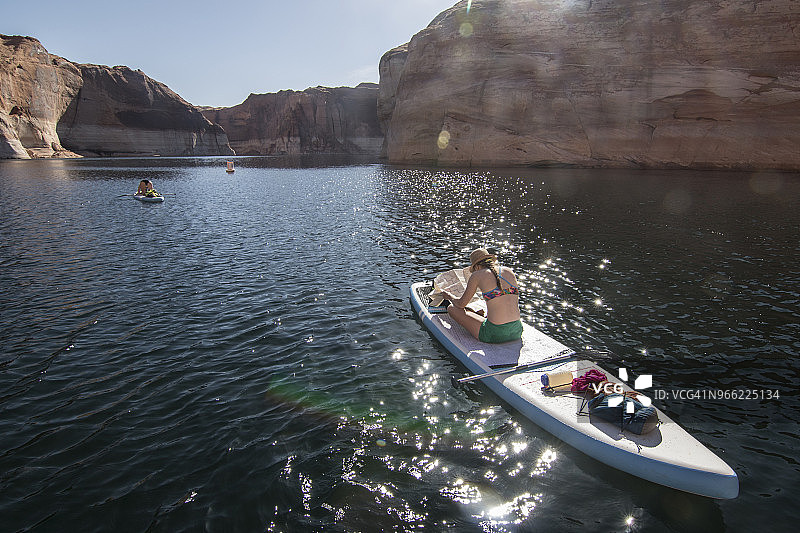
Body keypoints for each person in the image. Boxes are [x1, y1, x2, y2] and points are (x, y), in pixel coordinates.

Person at [442, 248, 523, 344]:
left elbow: (460, 304)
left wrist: (450, 297)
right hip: (517, 330)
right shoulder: (509, 271)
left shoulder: (477, 275)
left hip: (494, 334)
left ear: (476, 266)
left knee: (452, 308)